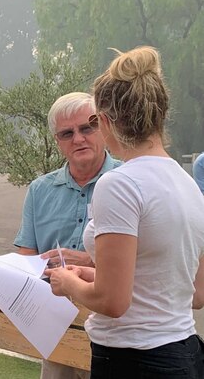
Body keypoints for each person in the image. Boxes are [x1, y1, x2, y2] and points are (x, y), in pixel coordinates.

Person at [48, 47, 204, 379]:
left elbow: (112, 302)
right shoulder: (188, 185)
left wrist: (66, 282)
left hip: (132, 360)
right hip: (185, 352)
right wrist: (92, 276)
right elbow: (195, 291)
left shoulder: (119, 184)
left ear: (104, 121)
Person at [14, 92, 121, 379]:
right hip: (55, 326)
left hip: (113, 330)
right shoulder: (40, 190)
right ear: (57, 141)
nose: (78, 138)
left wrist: (88, 259)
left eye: (87, 128)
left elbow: (146, 261)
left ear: (103, 127)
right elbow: (26, 255)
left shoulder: (127, 182)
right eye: (67, 133)